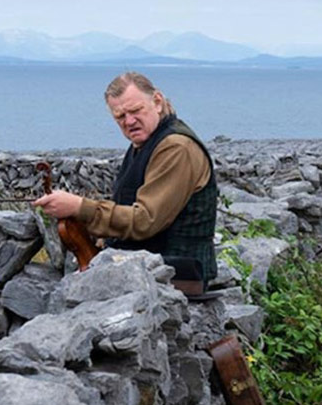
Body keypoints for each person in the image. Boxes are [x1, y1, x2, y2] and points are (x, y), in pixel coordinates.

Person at [34, 71, 218, 283]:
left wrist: (79, 207)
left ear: (157, 102)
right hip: (148, 273)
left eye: (135, 110)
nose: (129, 121)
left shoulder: (177, 148)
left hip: (178, 278)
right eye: (120, 116)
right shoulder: (144, 144)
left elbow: (145, 220)